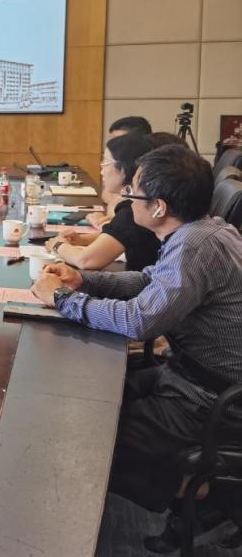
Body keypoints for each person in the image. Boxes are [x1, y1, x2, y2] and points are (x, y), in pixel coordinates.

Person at [31, 145, 242, 517]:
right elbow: (150, 281)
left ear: (158, 207)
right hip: (188, 377)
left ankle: (196, 492)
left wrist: (62, 299)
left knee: (84, 443)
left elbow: (138, 322)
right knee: (86, 400)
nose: (127, 201)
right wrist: (83, 280)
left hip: (209, 398)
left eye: (133, 194)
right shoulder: (203, 230)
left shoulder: (194, 246)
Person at [46, 133, 160, 271]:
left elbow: (85, 260)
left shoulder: (135, 208)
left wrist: (58, 245)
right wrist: (83, 240)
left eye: (105, 163)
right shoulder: (138, 201)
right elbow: (120, 235)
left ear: (124, 169)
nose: (101, 171)